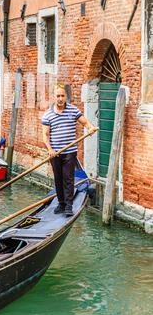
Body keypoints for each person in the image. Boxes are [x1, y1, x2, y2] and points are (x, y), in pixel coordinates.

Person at [42, 83, 96, 217]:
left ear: (66, 96)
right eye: (58, 96)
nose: (60, 98)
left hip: (69, 151)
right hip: (55, 153)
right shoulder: (48, 115)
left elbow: (85, 122)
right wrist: (50, 149)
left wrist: (90, 127)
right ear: (54, 97)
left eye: (62, 96)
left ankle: (69, 206)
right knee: (58, 179)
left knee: (68, 179)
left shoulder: (73, 110)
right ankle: (61, 204)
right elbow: (45, 135)